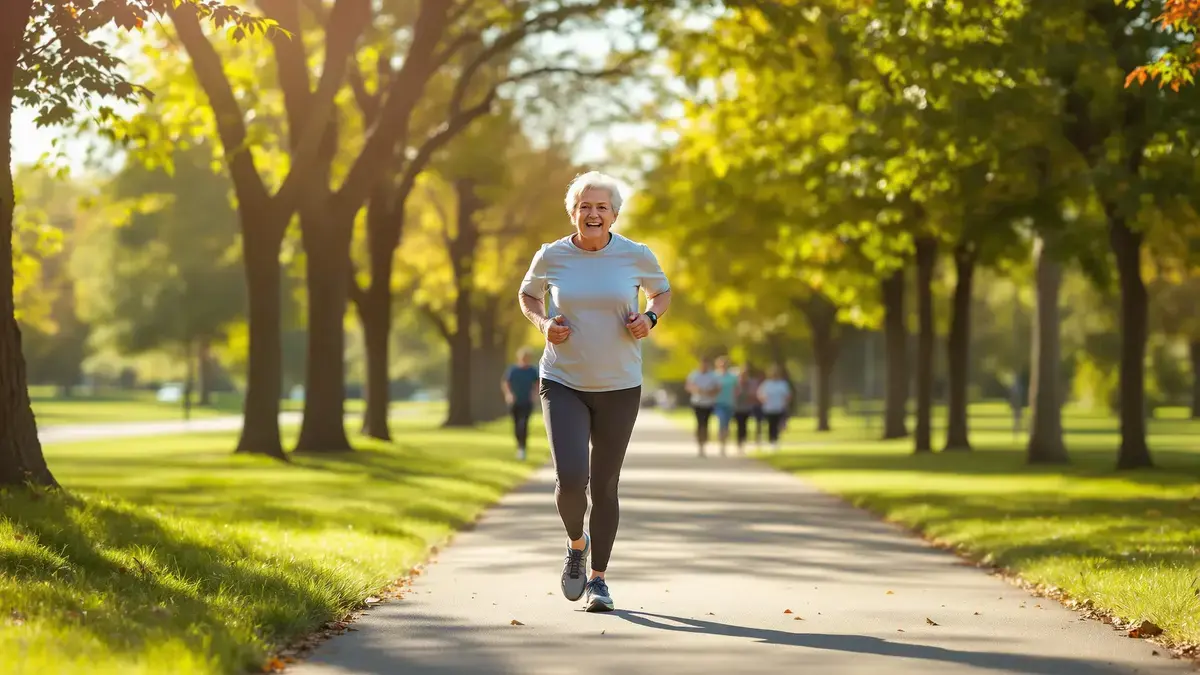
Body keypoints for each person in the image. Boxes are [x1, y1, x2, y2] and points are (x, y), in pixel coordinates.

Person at [517, 170, 671, 613]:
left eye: (602, 207)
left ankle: (599, 580)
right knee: (571, 479)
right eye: (585, 206)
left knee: (604, 484)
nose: (593, 213)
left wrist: (649, 318)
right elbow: (528, 295)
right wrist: (544, 323)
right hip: (563, 380)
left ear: (615, 215)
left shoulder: (636, 255)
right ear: (573, 212)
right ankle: (576, 545)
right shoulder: (551, 255)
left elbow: (661, 293)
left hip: (620, 385)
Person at [501, 347, 540, 460]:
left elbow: (537, 383)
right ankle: (519, 446)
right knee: (516, 425)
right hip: (514, 402)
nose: (525, 359)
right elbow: (506, 383)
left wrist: (535, 394)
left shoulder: (532, 370)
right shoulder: (513, 370)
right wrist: (509, 394)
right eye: (523, 357)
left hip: (527, 402)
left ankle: (522, 448)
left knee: (523, 424)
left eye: (527, 357)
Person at [684, 357, 720, 457]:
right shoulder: (694, 375)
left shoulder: (713, 375)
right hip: (697, 402)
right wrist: (696, 389)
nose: (704, 366)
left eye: (706, 364)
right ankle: (700, 443)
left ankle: (704, 442)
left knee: (706, 423)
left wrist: (710, 392)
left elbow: (718, 388)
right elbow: (688, 386)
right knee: (699, 423)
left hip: (708, 403)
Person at [757, 364, 792, 451]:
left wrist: (785, 402)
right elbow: (760, 394)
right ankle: (771, 440)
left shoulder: (782, 384)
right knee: (771, 425)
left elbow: (788, 395)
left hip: (779, 408)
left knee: (778, 425)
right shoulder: (766, 384)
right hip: (769, 408)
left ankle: (776, 440)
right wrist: (763, 399)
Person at [712, 356, 739, 456]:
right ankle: (721, 444)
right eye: (721, 364)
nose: (723, 366)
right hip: (718, 403)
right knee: (721, 421)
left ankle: (724, 444)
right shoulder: (714, 376)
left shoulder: (732, 377)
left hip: (729, 403)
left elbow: (737, 389)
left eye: (725, 364)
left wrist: (734, 398)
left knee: (727, 425)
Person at [732, 366, 761, 454]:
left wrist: (750, 397)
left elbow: (755, 395)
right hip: (737, 408)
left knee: (744, 425)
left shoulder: (751, 384)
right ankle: (739, 442)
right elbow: (733, 394)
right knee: (739, 425)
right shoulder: (736, 383)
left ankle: (743, 441)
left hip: (747, 408)